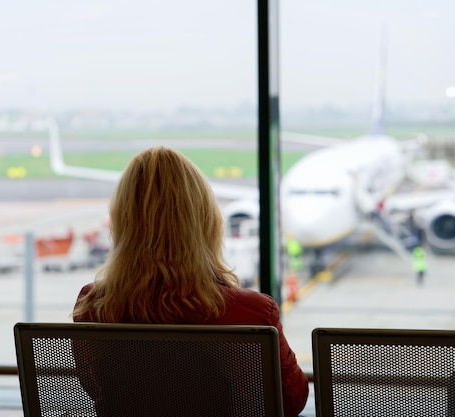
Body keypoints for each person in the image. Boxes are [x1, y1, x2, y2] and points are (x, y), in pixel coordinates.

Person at [72, 146, 309, 416]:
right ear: (206, 222)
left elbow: (97, 389)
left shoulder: (93, 306)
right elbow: (291, 401)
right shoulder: (249, 311)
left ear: (122, 222)